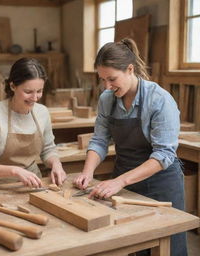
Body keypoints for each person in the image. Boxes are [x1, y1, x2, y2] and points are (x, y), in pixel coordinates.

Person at [73, 38, 187, 256]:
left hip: (160, 183)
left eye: (112, 79)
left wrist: (119, 181)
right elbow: (99, 140)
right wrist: (87, 173)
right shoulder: (108, 99)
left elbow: (163, 154)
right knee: (132, 244)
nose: (107, 86)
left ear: (130, 69)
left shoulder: (159, 100)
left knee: (167, 247)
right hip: (124, 182)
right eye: (103, 80)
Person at [0, 57, 66, 187]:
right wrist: (15, 171)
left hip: (32, 184)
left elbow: (48, 150)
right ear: (12, 86)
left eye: (39, 91)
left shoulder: (42, 112)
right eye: (28, 92)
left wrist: (56, 164)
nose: (34, 98)